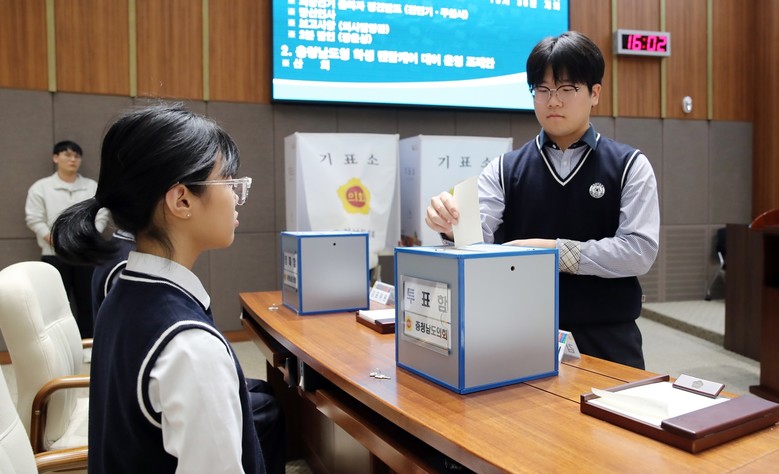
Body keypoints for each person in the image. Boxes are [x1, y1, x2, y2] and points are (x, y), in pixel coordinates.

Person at [52, 104, 283, 473]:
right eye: (228, 181)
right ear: (182, 200)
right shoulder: (191, 348)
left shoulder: (125, 293)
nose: (238, 196)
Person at [425, 31, 660, 370]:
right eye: (543, 89)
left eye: (567, 89)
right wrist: (450, 226)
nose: (553, 101)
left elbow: (639, 252)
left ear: (594, 93)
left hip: (607, 336)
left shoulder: (629, 165)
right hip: (519, 333)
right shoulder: (505, 168)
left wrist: (554, 252)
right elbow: (476, 241)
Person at [25, 140, 108, 338]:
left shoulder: (91, 186)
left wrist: (86, 238)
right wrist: (53, 238)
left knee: (88, 304)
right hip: (53, 254)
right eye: (67, 155)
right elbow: (34, 218)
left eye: (76, 156)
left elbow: (102, 214)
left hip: (85, 256)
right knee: (54, 308)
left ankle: (88, 346)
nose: (73, 159)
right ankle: (57, 346)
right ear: (56, 158)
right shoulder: (41, 187)